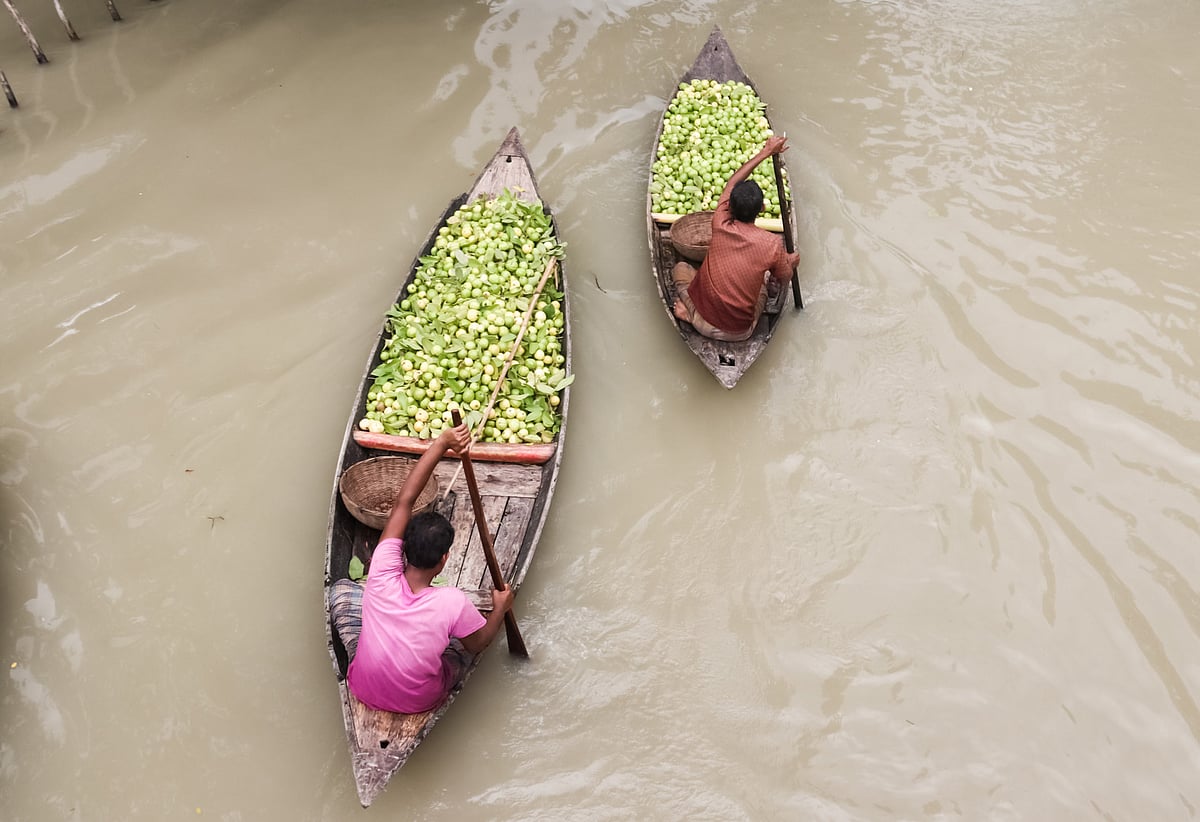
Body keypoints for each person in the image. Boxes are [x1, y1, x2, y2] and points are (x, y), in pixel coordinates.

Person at [344, 423, 514, 714]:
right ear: (444, 559)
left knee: (341, 592)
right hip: (418, 701)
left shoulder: (383, 568)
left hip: (361, 687)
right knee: (457, 653)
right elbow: (478, 644)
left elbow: (404, 502)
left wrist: (442, 442)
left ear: (403, 548)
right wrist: (500, 608)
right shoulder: (451, 601)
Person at [672, 134, 800, 342]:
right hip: (740, 333)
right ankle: (693, 316)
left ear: (729, 205)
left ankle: (692, 316)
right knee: (763, 286)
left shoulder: (720, 221)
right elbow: (784, 277)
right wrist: (791, 262)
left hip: (704, 321)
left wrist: (766, 151)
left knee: (681, 269)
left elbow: (733, 182)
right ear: (762, 209)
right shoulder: (771, 244)